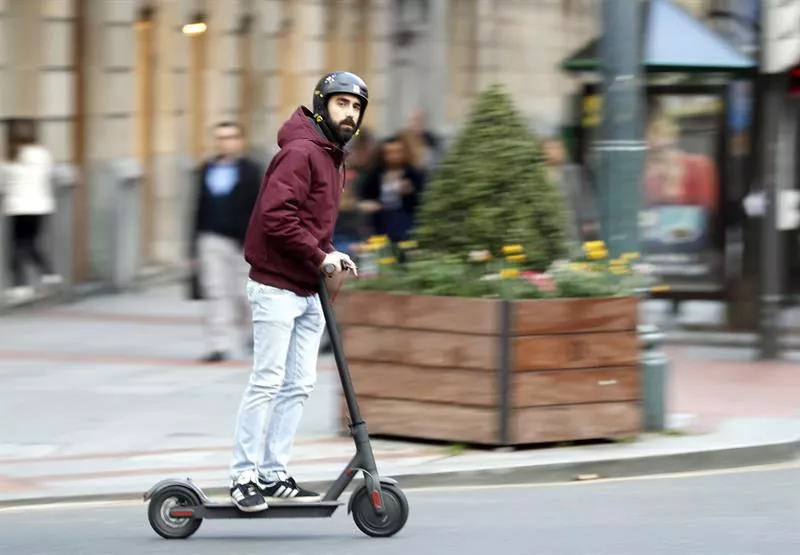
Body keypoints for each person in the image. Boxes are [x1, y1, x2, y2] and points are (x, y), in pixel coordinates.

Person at [229, 71, 367, 512]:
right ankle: (243, 475)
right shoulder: (302, 153)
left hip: (308, 288)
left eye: (356, 106)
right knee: (267, 382)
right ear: (322, 104)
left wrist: (331, 252)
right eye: (341, 103)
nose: (349, 112)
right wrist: (318, 254)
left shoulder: (331, 156)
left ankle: (273, 472)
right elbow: (276, 217)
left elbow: (310, 224)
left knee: (300, 384)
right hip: (275, 286)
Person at [189, 122, 263, 363]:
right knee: (215, 291)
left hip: (243, 241)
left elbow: (261, 208)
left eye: (230, 137)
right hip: (211, 238)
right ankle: (218, 344)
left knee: (245, 293)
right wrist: (192, 246)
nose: (225, 142)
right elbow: (198, 207)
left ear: (240, 141)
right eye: (220, 138)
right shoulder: (207, 168)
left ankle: (253, 336)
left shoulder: (251, 170)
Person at [2, 119, 60, 303]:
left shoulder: (11, 158)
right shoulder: (43, 154)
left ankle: (21, 287)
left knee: (18, 246)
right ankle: (48, 274)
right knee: (31, 243)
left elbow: (3, 183)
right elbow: (50, 175)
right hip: (41, 206)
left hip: (19, 207)